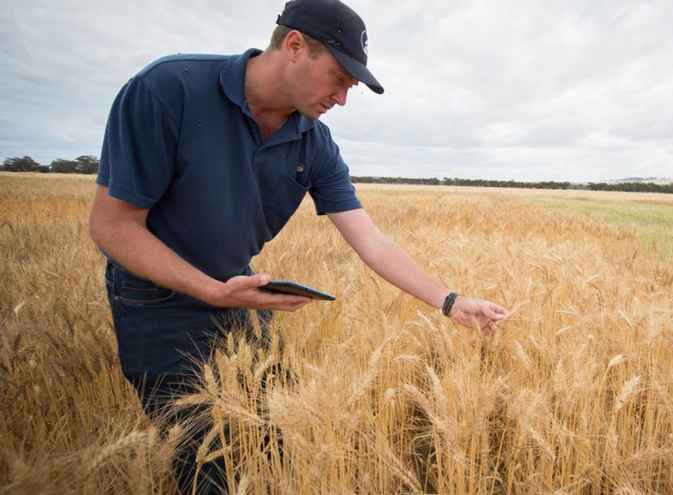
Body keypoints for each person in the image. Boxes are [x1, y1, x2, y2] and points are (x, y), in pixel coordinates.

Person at [87, 0, 509, 492]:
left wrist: (451, 302)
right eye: (338, 79)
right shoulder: (167, 89)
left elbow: (371, 240)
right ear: (294, 46)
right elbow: (113, 227)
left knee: (272, 445)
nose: (342, 99)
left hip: (241, 293)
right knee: (210, 468)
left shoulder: (315, 142)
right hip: (157, 298)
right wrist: (211, 291)